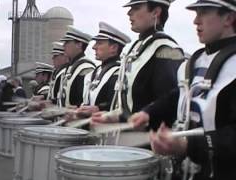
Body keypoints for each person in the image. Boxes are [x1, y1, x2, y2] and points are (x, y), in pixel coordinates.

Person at [130, 0, 236, 179]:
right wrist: (148, 112)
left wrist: (188, 146)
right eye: (196, 14)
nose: (196, 21)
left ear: (229, 18)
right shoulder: (198, 60)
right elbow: (180, 95)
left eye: (203, 13)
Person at [92, 0, 184, 128]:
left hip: (148, 142)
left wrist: (147, 115)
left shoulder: (165, 49)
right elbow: (131, 102)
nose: (129, 13)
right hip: (126, 137)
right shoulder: (138, 47)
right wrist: (114, 115)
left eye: (136, 7)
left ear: (156, 12)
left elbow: (169, 103)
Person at [68, 21, 131, 121]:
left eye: (99, 43)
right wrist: (77, 108)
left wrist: (99, 108)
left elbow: (119, 105)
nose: (94, 47)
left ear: (114, 48)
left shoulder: (119, 73)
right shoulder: (95, 72)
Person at [59, 26, 96, 107]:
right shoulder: (71, 66)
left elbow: (83, 100)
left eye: (67, 42)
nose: (63, 46)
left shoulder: (86, 68)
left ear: (79, 45)